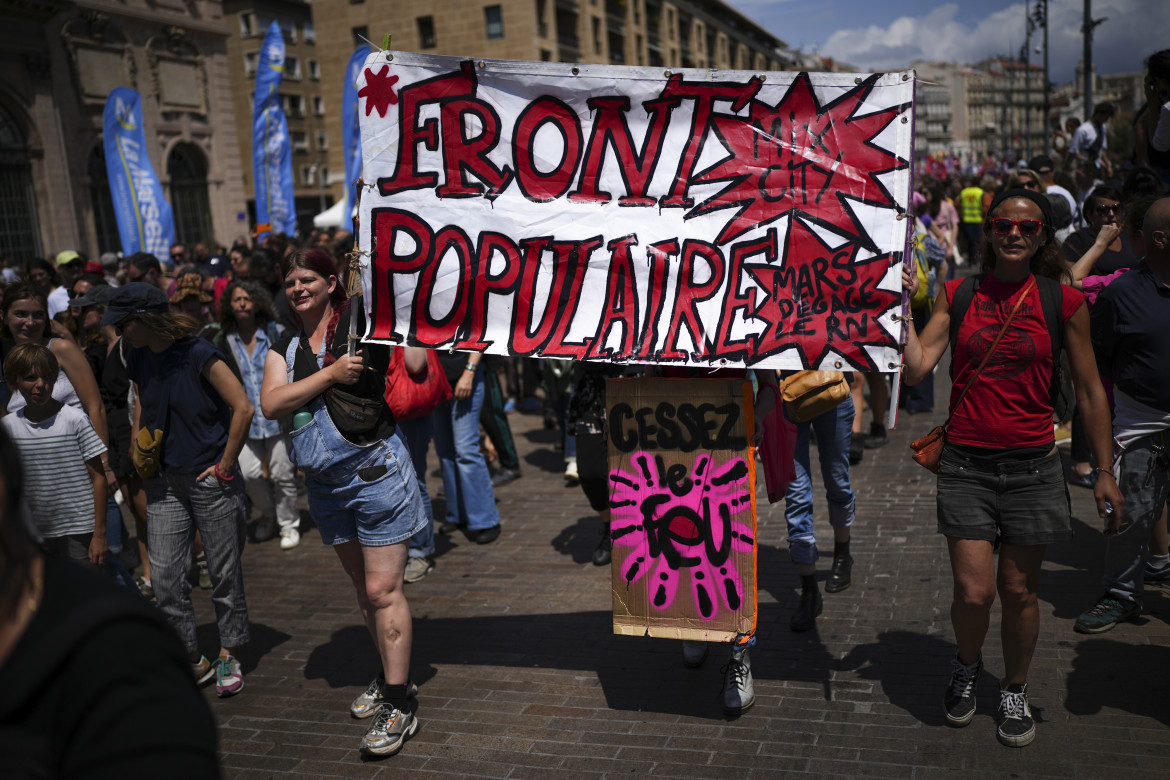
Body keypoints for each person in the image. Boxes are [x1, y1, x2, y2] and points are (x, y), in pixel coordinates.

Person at [901, 188, 1120, 747]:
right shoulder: (960, 292)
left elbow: (1092, 391)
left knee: (1020, 591)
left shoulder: (1063, 302)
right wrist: (901, 308)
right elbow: (919, 368)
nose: (1014, 235)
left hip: (1033, 469)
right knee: (975, 593)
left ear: (1042, 235)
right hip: (966, 467)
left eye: (1027, 228)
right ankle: (968, 664)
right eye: (1003, 226)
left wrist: (1103, 470)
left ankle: (1015, 688)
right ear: (989, 231)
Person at [260, 248, 427, 756]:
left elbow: (414, 351)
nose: (297, 289)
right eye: (290, 282)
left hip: (376, 470)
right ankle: (389, 675)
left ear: (332, 282)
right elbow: (271, 404)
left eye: (307, 279)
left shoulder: (362, 320)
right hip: (325, 484)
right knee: (362, 586)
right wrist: (330, 376)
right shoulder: (283, 343)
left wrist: (373, 208)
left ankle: (399, 703)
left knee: (381, 589)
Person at [0, 426, 220, 778]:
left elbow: (99, 473)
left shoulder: (115, 647)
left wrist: (100, 531)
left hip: (171, 478)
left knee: (166, 580)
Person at [110, 282, 254, 699]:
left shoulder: (198, 352)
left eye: (124, 323)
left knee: (223, 573)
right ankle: (190, 656)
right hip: (164, 481)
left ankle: (229, 650)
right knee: (168, 578)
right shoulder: (136, 354)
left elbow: (242, 407)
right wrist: (139, 442)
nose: (120, 332)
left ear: (146, 318)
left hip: (209, 478)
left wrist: (226, 465)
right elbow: (141, 401)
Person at [1073, 196, 1170, 634]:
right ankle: (1122, 594)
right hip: (1142, 427)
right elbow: (1101, 363)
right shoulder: (1122, 292)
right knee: (1128, 515)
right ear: (1160, 240)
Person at [1, 343, 107, 569]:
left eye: (48, 377)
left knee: (82, 594)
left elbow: (98, 478)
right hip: (32, 532)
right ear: (14, 381)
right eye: (30, 378)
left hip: (79, 529)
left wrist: (99, 535)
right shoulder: (8, 428)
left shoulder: (74, 419)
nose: (40, 385)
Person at [212, 281, 298, 549]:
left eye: (247, 298)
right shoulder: (224, 341)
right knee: (248, 474)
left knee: (282, 473)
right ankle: (269, 515)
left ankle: (288, 524)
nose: (242, 303)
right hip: (245, 420)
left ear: (257, 302)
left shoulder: (276, 332)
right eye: (237, 299)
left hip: (278, 418)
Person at [434, 349, 502, 544]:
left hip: (463, 372)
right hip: (437, 376)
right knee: (445, 451)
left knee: (465, 450)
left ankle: (486, 520)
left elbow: (478, 335)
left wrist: (469, 371)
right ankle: (457, 514)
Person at [1062, 187, 1141, 276]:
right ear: (1090, 215)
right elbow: (1070, 278)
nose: (1111, 214)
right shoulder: (1077, 241)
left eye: (1116, 208)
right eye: (1103, 210)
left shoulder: (1128, 235)